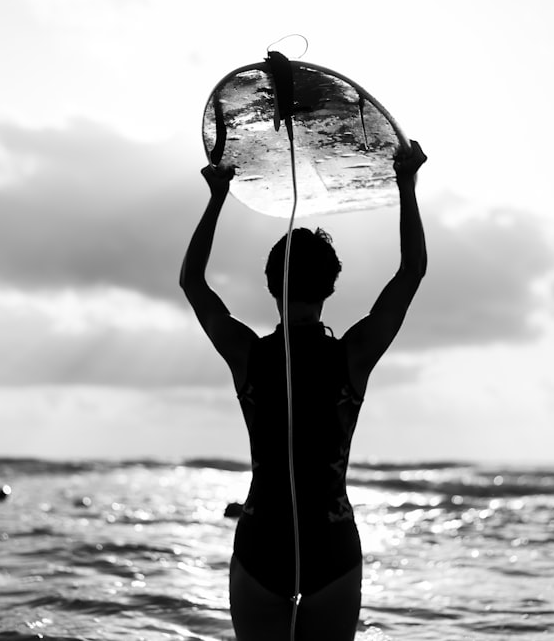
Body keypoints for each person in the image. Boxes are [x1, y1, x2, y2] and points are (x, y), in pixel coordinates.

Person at [180, 140, 427, 641]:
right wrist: (406, 185)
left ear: (271, 283)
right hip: (331, 546)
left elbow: (192, 283)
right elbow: (411, 272)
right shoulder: (352, 357)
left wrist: (217, 194)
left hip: (260, 544)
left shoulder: (246, 354)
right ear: (331, 286)